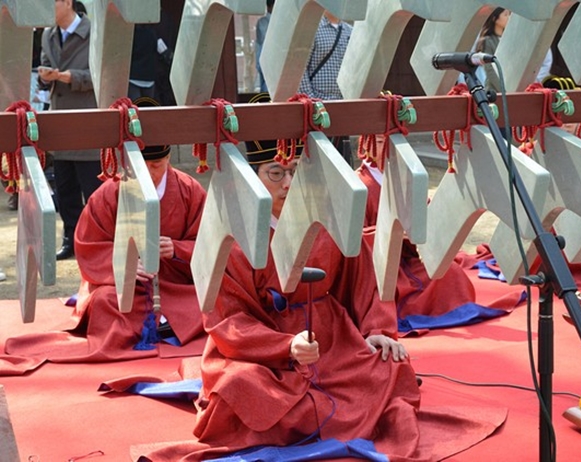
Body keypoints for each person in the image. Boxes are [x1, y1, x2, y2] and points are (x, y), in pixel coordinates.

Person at [189, 105, 429, 459]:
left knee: (390, 365)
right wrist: (284, 346)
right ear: (253, 176)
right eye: (274, 173)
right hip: (261, 350)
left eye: (294, 171)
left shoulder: (324, 215)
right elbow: (226, 320)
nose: (287, 183)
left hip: (330, 337)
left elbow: (361, 278)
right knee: (240, 386)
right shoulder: (232, 232)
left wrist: (376, 328)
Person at [3, 97, 207, 367]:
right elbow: (89, 246)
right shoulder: (108, 194)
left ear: (169, 158)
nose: (149, 175)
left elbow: (208, 242)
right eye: (141, 167)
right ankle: (157, 327)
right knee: (105, 302)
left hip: (176, 283)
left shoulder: (189, 190)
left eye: (156, 166)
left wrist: (177, 249)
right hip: (124, 287)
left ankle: (161, 325)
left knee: (210, 299)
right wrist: (123, 266)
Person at [356, 139, 516, 333]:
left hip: (410, 257)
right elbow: (355, 241)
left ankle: (448, 311)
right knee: (383, 290)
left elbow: (425, 217)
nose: (387, 148)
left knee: (451, 274)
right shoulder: (359, 184)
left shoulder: (409, 177)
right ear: (365, 145)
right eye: (380, 142)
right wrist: (389, 233)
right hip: (377, 266)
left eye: (392, 142)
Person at [38, 0, 102, 260]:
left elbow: (100, 73)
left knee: (93, 187)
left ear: (66, 2)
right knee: (65, 189)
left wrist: (69, 77)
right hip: (60, 120)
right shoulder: (47, 34)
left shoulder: (94, 31)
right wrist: (45, 75)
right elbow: (43, 64)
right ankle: (71, 239)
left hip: (86, 120)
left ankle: (99, 241)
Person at [299, 10, 353, 164]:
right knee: (318, 159)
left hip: (342, 105)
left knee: (343, 158)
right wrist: (311, 100)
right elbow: (300, 68)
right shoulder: (310, 30)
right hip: (317, 106)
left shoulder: (350, 31)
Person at [475, 7, 510, 94]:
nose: (509, 17)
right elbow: (489, 69)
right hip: (494, 90)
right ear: (495, 18)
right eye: (505, 15)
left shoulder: (509, 38)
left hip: (511, 86)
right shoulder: (487, 41)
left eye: (509, 14)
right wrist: (503, 90)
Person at [255, 0, 274, 92]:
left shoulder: (262, 22)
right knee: (267, 88)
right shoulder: (263, 22)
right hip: (267, 60)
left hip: (265, 61)